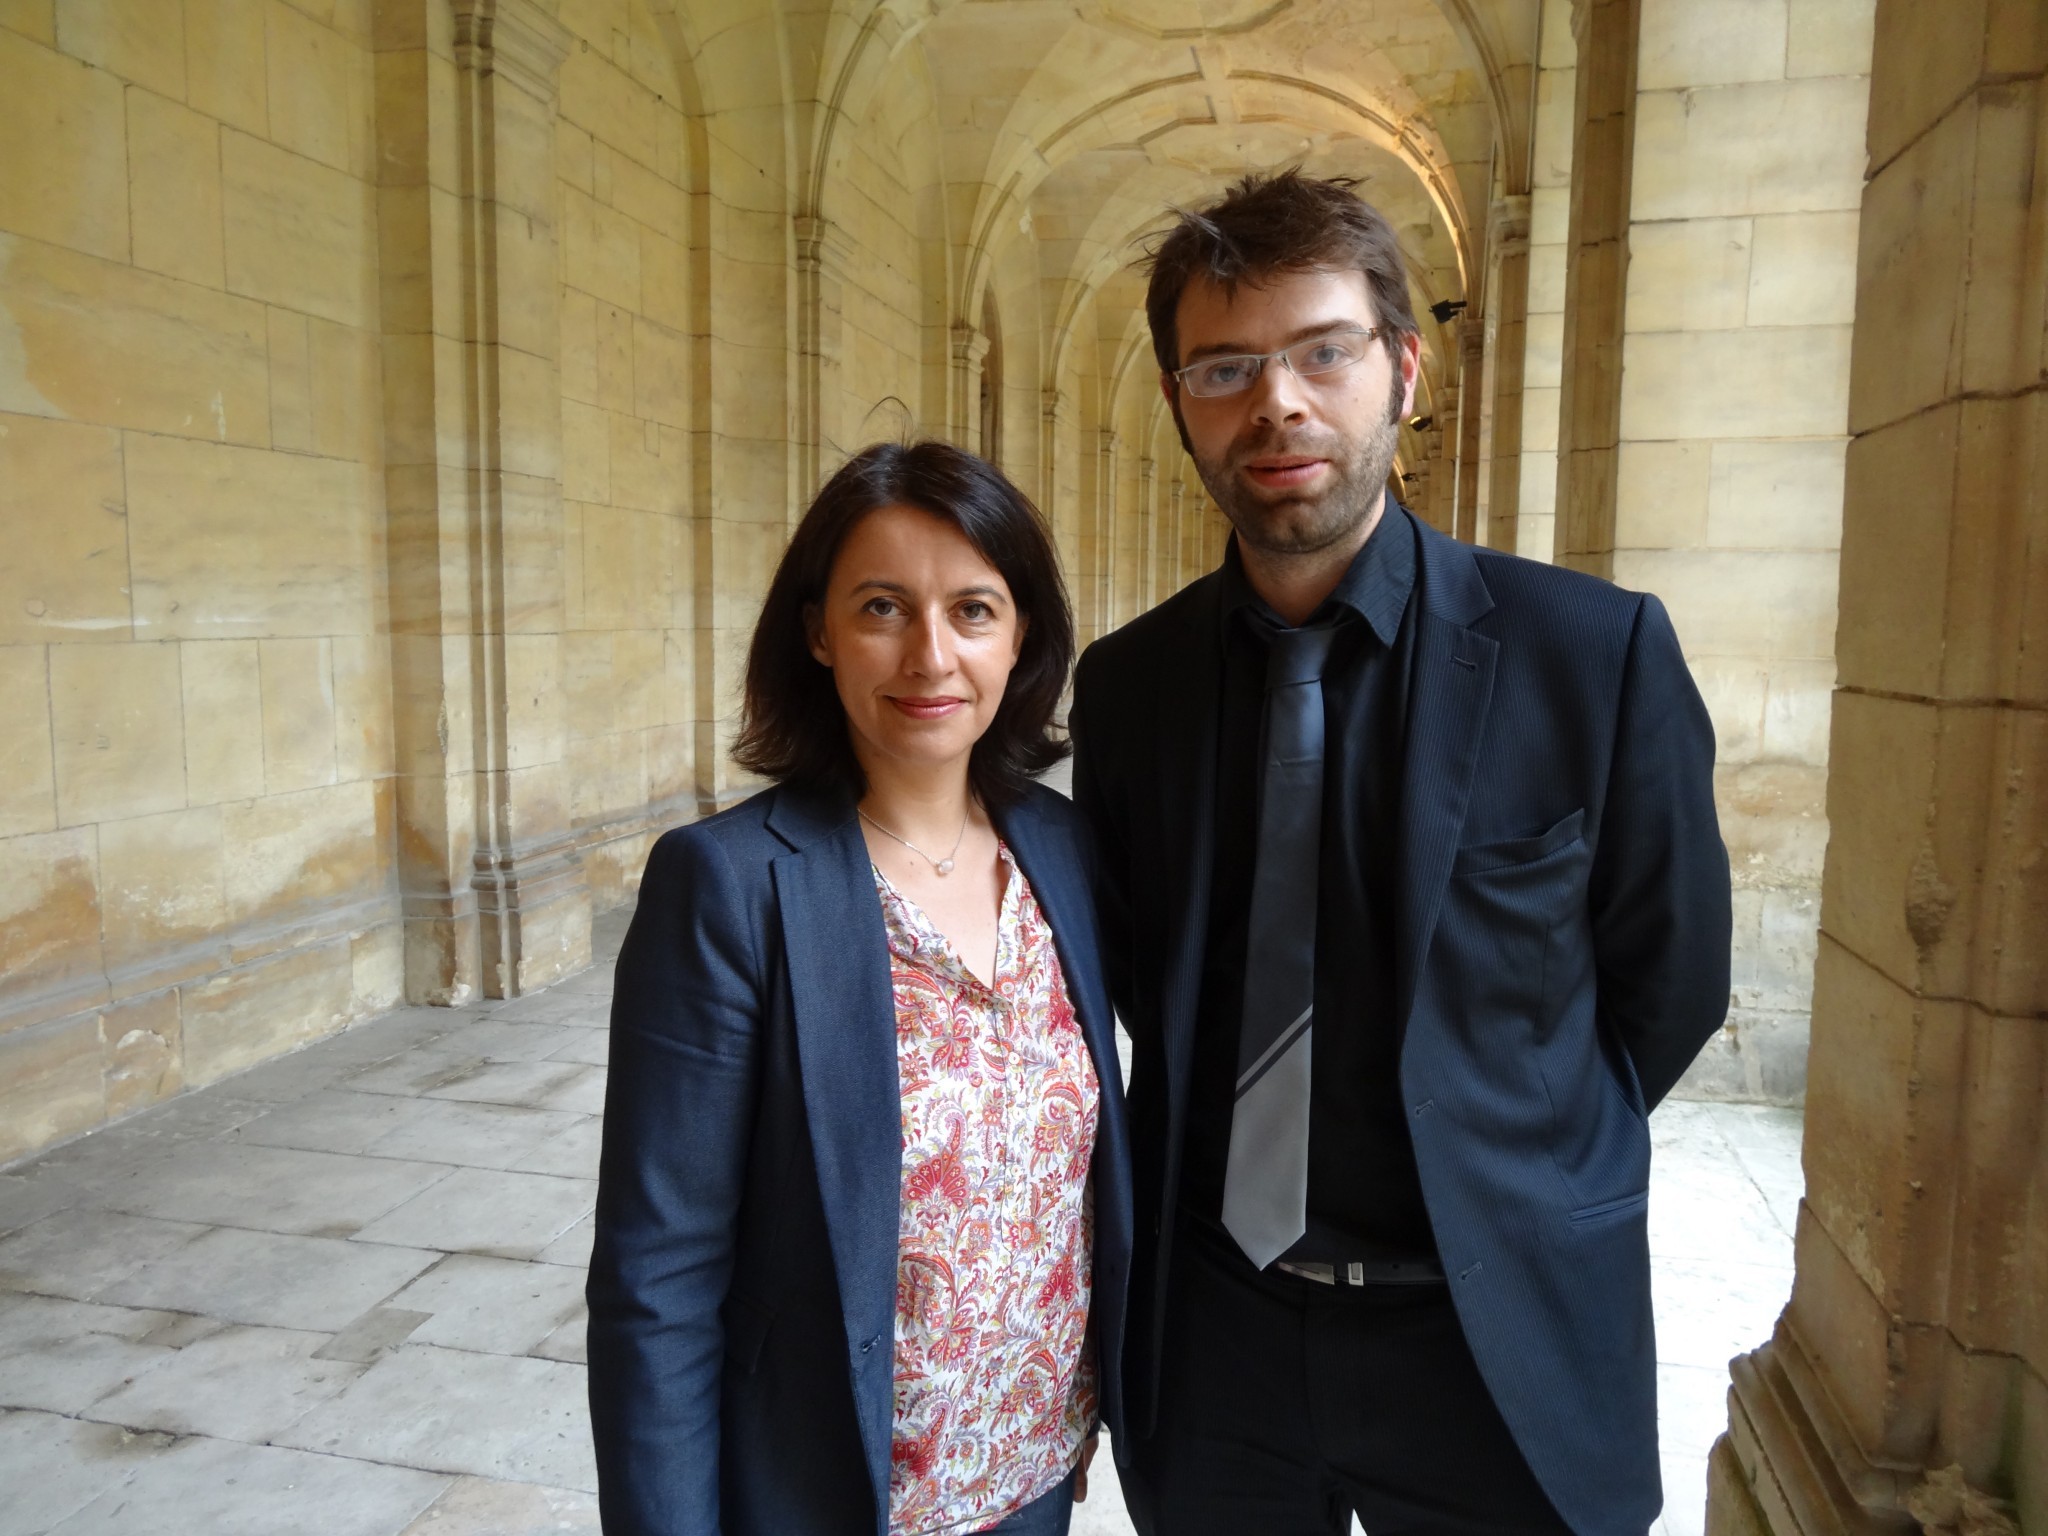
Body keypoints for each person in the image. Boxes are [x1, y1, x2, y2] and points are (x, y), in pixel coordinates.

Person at [1069, 170, 1732, 1536]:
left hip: (1493, 1339)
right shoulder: (1130, 688)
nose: (1280, 403)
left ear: (1405, 371)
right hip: (1222, 1339)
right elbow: (1140, 971)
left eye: (1324, 350)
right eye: (1225, 367)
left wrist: (1513, 1158)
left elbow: (1668, 983)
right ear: (1180, 401)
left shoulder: (1591, 658)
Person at [588, 440, 1132, 1536]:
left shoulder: (1064, 852)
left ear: (1020, 636)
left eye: (972, 610)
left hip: (1030, 1475)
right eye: (883, 607)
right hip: (828, 1496)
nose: (930, 655)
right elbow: (658, 1274)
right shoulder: (731, 885)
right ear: (818, 633)